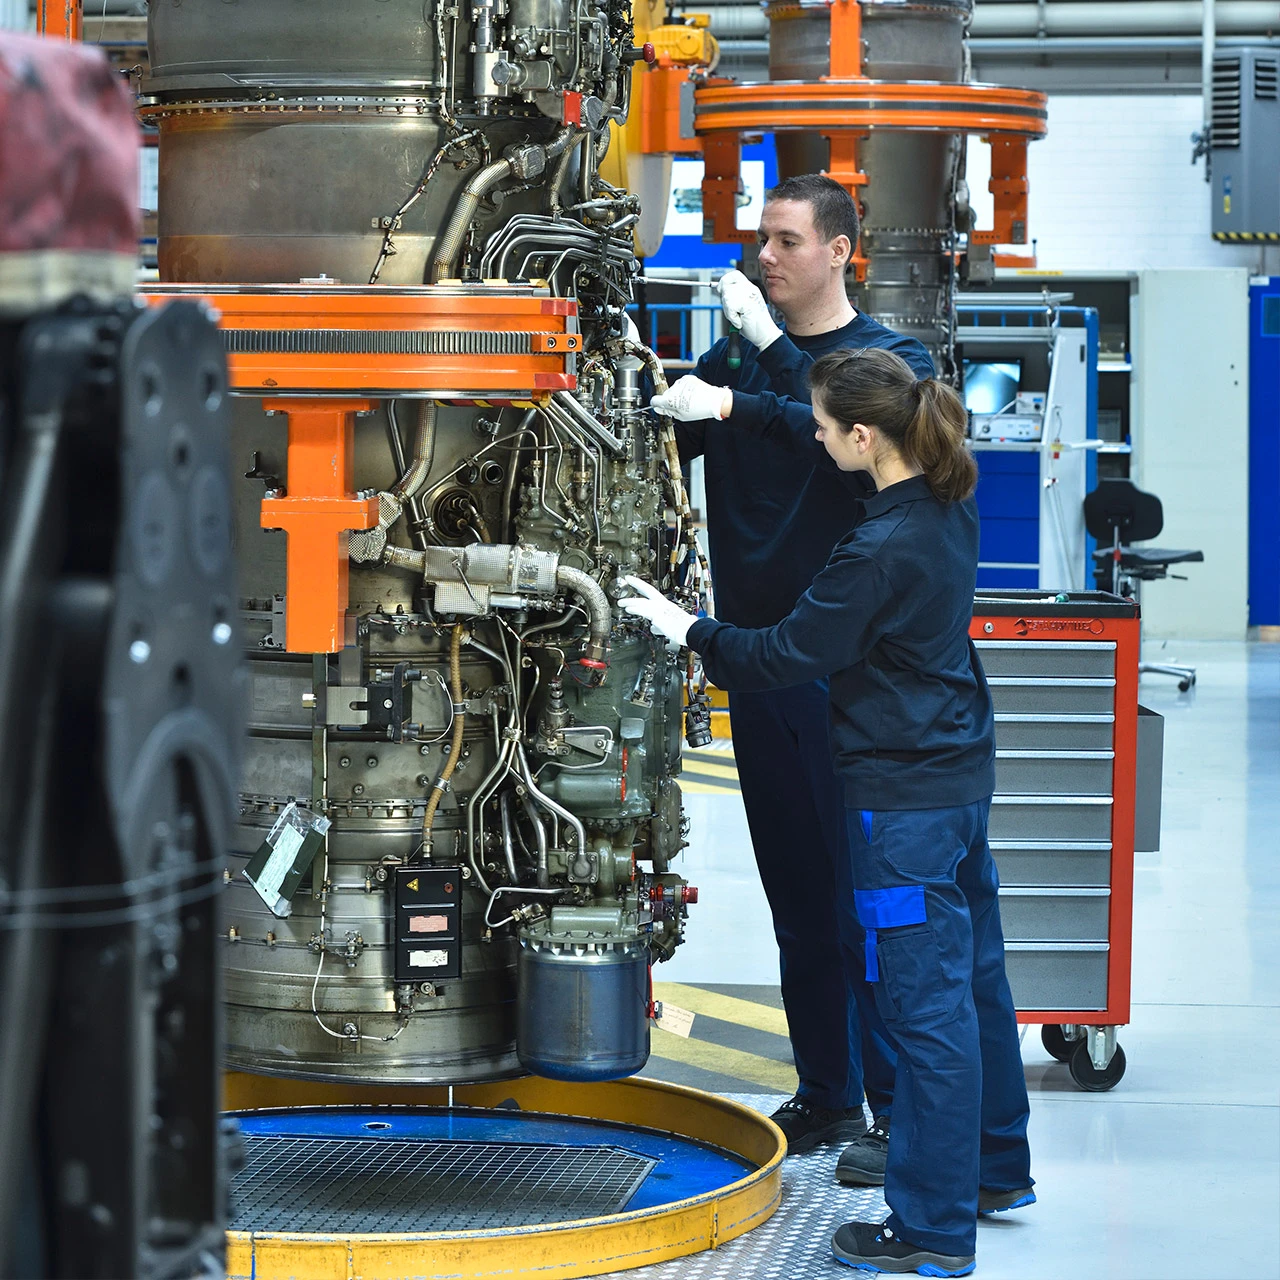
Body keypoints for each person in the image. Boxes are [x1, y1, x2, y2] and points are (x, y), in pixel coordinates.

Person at [627, 347, 1033, 1278]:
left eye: (821, 427)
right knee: (975, 983)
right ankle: (996, 1170)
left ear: (863, 437)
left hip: (899, 806)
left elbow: (782, 655)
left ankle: (931, 1230)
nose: (812, 439)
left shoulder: (875, 553)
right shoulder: (947, 500)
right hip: (958, 779)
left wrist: (687, 627)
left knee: (922, 1012)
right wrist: (741, 401)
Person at [656, 173, 932, 1162]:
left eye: (784, 241)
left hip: (849, 676)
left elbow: (844, 446)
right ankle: (826, 1094)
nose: (762, 257)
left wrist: (762, 364)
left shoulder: (892, 363)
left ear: (838, 250)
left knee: (867, 902)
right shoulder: (734, 354)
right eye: (759, 240)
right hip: (759, 663)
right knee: (798, 901)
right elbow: (666, 434)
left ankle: (897, 1111)